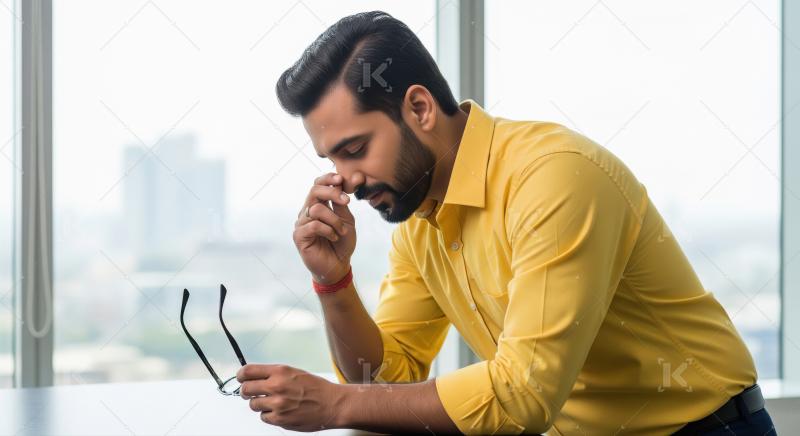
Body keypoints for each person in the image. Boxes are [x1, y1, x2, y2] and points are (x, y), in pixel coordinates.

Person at [235, 10, 775, 435]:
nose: (345, 179)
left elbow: (524, 395)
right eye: (331, 159)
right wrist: (333, 283)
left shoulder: (554, 177)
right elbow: (383, 383)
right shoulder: (421, 217)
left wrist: (336, 404)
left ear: (419, 108)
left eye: (355, 149)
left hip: (706, 428)